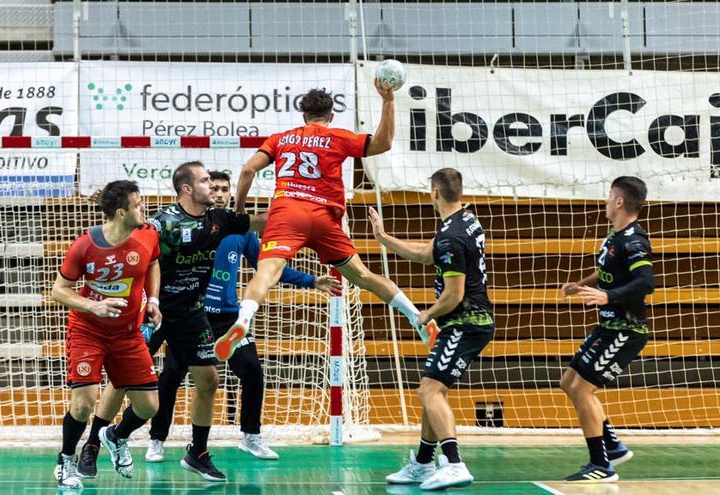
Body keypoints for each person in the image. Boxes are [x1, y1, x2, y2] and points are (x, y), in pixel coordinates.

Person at [214, 81, 423, 362]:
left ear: (303, 116)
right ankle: (417, 316)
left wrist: (239, 210)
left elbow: (248, 169)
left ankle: (244, 320)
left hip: (287, 213)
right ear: (331, 116)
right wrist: (388, 101)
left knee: (266, 273)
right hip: (324, 219)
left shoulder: (281, 138)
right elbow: (383, 143)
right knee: (364, 277)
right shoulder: (338, 136)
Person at [83, 161, 265, 483]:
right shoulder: (162, 224)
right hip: (152, 309)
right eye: (206, 181)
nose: (213, 187)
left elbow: (260, 222)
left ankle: (197, 452)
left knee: (208, 380)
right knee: (123, 380)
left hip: (190, 313)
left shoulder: (219, 220)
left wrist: (302, 216)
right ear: (187, 188)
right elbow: (126, 233)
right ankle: (94, 441)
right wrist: (106, 205)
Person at [143, 170, 340, 463]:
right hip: (190, 314)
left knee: (252, 370)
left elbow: (270, 268)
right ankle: (157, 439)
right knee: (171, 376)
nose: (219, 193)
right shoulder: (187, 226)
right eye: (214, 187)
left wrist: (312, 281)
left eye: (224, 188)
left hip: (226, 317)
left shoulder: (240, 233)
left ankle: (251, 437)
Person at [370, 168, 493, 491]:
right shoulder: (465, 220)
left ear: (435, 193)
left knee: (430, 390)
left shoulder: (452, 234)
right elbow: (428, 254)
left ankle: (453, 464)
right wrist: (384, 239)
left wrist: (428, 314)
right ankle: (423, 463)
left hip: (466, 322)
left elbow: (455, 294)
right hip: (466, 321)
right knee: (431, 389)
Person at [51, 180, 162, 489]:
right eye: (138, 205)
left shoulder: (148, 234)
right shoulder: (85, 245)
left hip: (127, 334)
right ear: (120, 212)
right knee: (84, 403)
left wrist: (152, 301)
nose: (144, 209)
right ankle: (65, 460)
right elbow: (59, 291)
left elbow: (153, 263)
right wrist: (91, 306)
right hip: (89, 329)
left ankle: (115, 435)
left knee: (149, 407)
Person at [559, 176, 654, 483]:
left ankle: (601, 464)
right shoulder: (614, 237)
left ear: (619, 201)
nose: (605, 201)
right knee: (568, 381)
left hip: (626, 329)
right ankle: (612, 445)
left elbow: (645, 282)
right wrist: (581, 285)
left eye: (608, 195)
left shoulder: (634, 241)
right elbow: (607, 271)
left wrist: (607, 296)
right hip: (608, 325)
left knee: (582, 390)